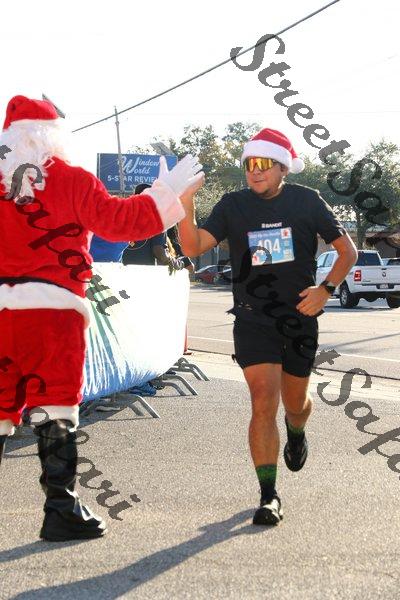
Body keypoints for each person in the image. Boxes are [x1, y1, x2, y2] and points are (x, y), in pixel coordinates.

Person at [0, 95, 203, 541]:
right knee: (55, 405)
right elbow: (121, 223)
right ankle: (60, 508)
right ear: (55, 137)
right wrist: (165, 194)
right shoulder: (72, 180)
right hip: (53, 314)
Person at [178, 128, 357, 525]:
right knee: (263, 400)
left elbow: (348, 251)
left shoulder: (306, 201)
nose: (254, 171)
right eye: (249, 164)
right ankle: (268, 495)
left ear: (282, 168)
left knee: (295, 405)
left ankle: (297, 430)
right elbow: (192, 246)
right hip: (252, 318)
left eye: (263, 164)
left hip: (299, 318)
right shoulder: (233, 205)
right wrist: (185, 202)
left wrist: (326, 290)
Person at [122, 184, 185, 273]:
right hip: (144, 274)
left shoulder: (122, 217)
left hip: (119, 272)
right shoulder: (157, 220)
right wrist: (174, 262)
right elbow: (159, 252)